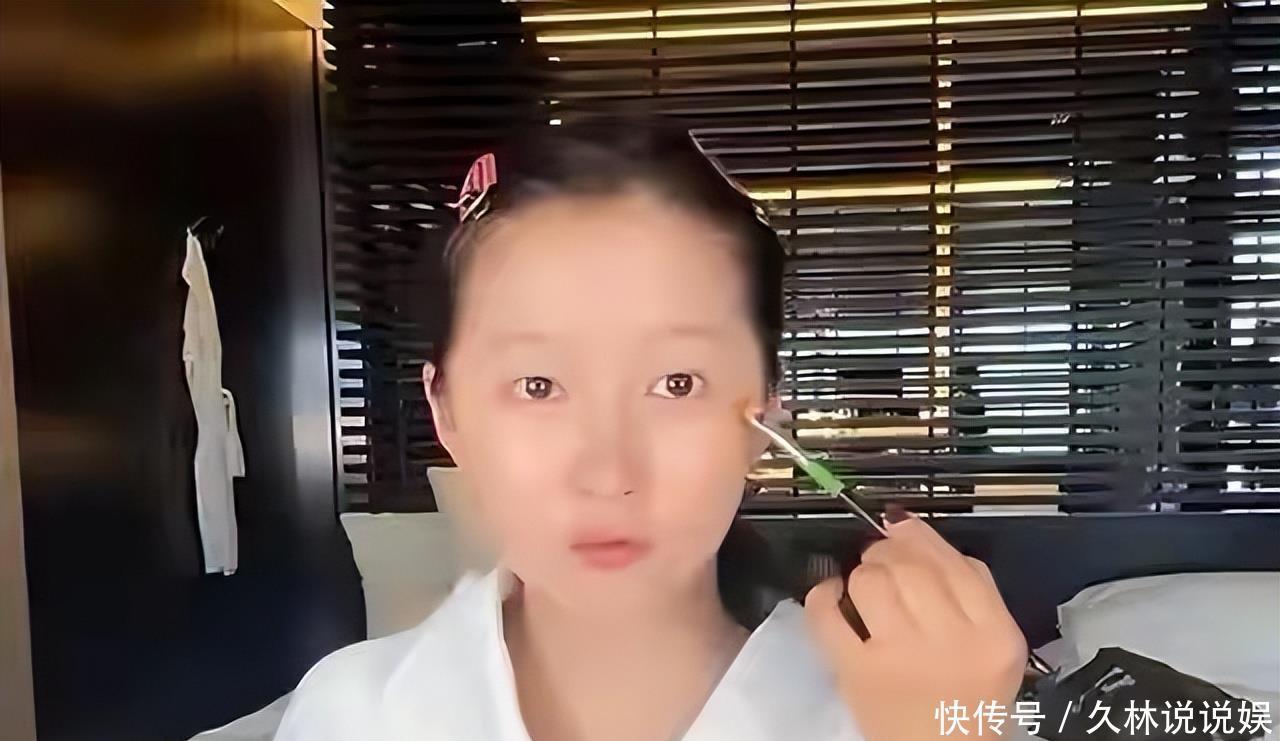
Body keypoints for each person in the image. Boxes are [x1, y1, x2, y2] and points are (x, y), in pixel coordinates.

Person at [274, 116, 1027, 741]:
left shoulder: (923, 712)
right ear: (447, 412)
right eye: (538, 386)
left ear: (766, 411)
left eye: (677, 383)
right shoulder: (351, 714)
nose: (609, 473)